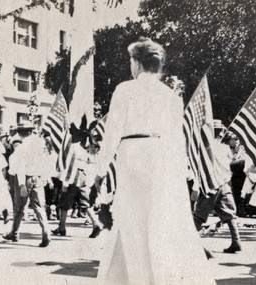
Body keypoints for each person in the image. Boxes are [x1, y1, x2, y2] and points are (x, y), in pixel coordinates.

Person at [94, 38, 214, 284]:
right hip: (161, 159)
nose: (130, 65)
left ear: (137, 62)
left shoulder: (125, 89)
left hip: (133, 155)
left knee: (133, 222)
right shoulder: (170, 95)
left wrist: (101, 168)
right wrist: (182, 176)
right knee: (158, 223)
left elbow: (112, 132)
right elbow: (176, 141)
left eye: (131, 60)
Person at [192, 122, 242, 253]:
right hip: (224, 183)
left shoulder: (206, 147)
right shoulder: (225, 148)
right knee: (230, 214)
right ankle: (236, 241)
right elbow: (232, 162)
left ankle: (188, 240)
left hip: (211, 184)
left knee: (200, 214)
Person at [3, 129, 54, 247]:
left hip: (25, 177)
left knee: (19, 208)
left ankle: (14, 233)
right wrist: (46, 177)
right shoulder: (40, 144)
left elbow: (20, 167)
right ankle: (46, 231)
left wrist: (21, 185)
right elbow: (45, 163)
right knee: (39, 207)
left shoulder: (22, 147)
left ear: (21, 134)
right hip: (38, 177)